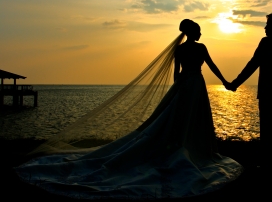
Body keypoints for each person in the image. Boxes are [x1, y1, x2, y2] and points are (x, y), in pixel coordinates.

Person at [15, 19, 243, 200]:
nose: (201, 34)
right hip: (194, 85)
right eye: (199, 30)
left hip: (184, 86)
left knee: (175, 120)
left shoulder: (180, 50)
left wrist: (176, 89)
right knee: (192, 120)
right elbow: (212, 66)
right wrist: (225, 82)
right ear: (192, 32)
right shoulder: (200, 47)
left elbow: (176, 74)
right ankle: (192, 148)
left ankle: (182, 145)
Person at [225, 12, 272, 148]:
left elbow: (252, 65)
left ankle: (269, 162)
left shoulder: (267, 43)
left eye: (268, 25)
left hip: (268, 92)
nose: (265, 28)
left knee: (267, 130)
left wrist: (235, 84)